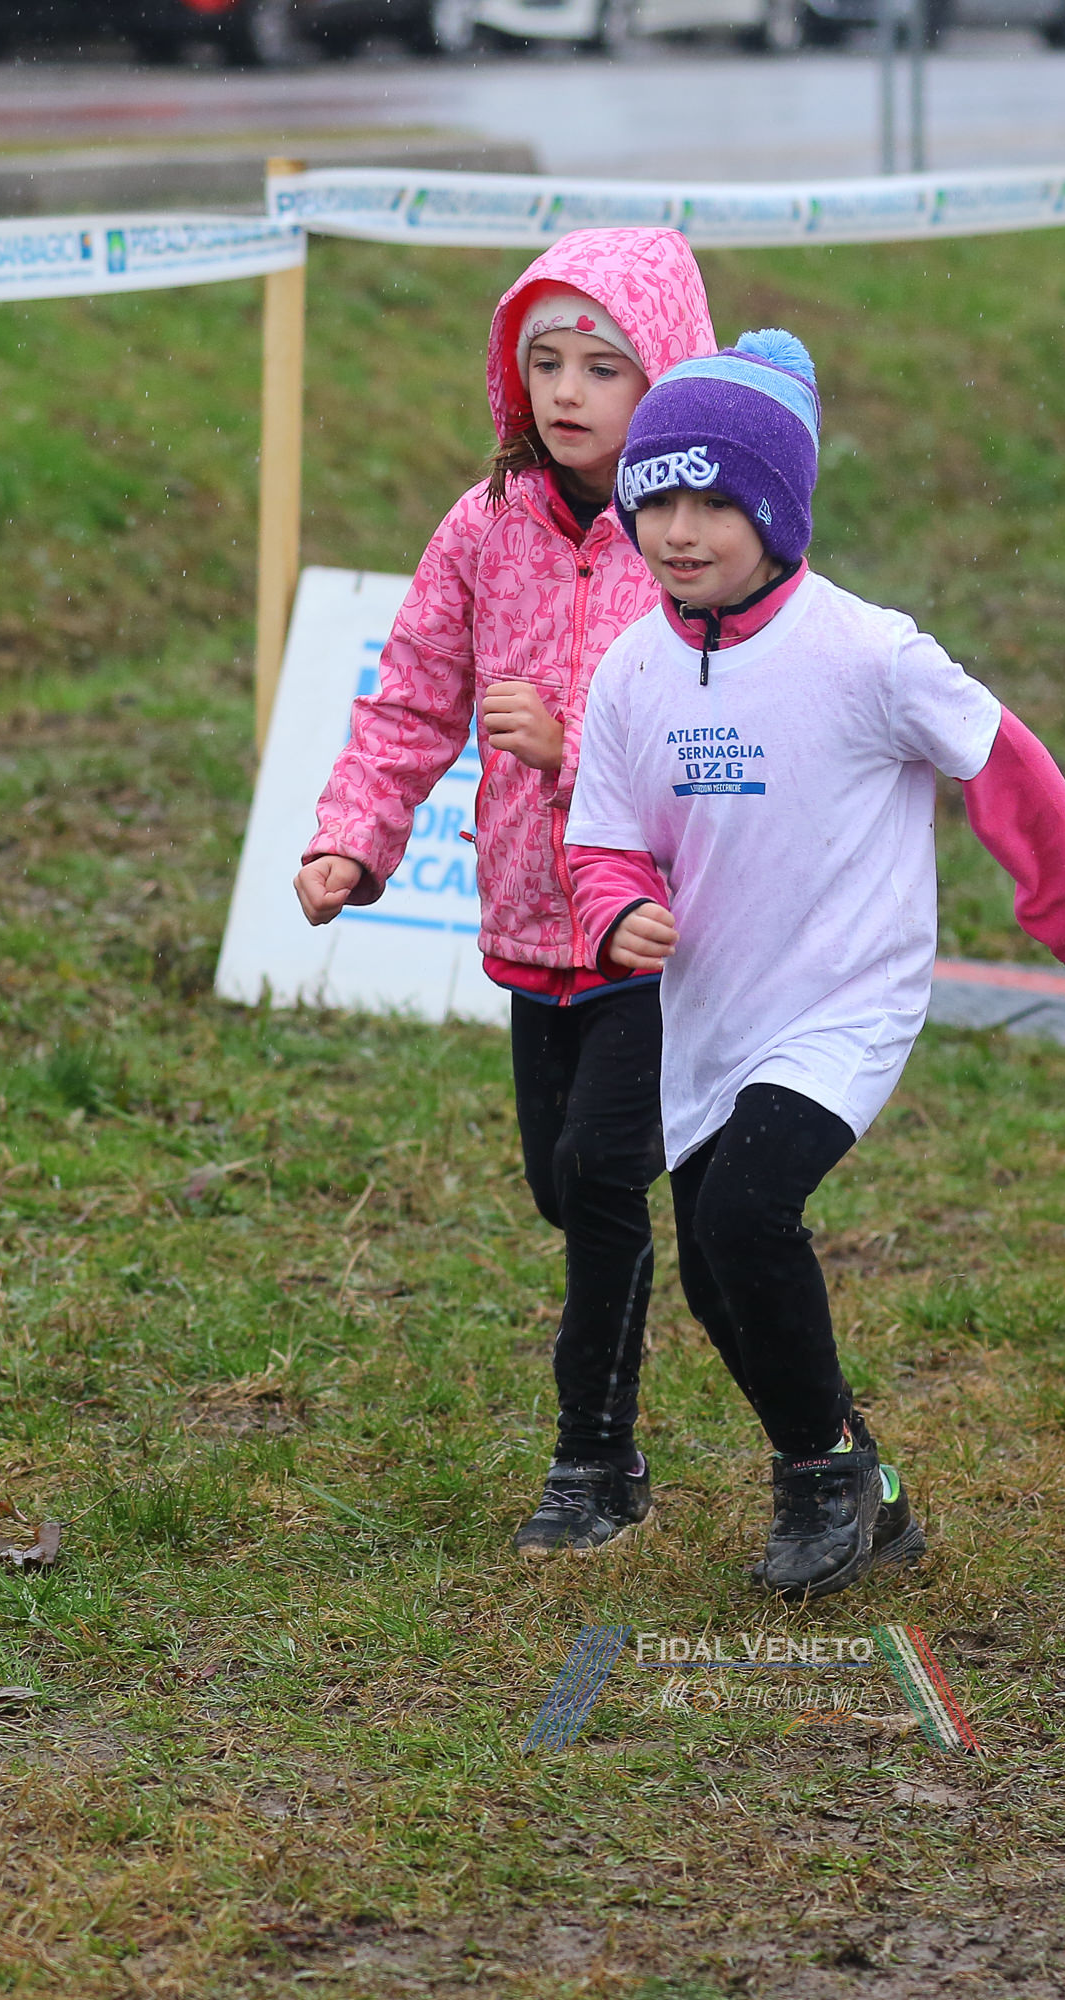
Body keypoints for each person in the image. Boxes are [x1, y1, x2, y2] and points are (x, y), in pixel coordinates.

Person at [565, 330, 1065, 1601]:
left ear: (778, 510)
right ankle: (857, 1472)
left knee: (744, 1214)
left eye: (716, 503)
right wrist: (618, 910)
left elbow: (1005, 764)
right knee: (714, 1274)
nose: (680, 531)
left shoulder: (869, 652)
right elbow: (602, 838)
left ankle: (819, 1479)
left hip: (844, 1000)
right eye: (656, 500)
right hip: (713, 1009)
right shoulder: (630, 668)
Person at [295, 229, 716, 1560]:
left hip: (658, 928)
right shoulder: (483, 527)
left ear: (669, 377)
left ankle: (596, 1462)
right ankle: (690, 1219)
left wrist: (571, 743)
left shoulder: (699, 537)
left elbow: (728, 730)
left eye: (605, 364)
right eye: (546, 361)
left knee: (600, 1176)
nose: (569, 390)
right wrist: (353, 839)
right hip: (530, 923)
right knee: (562, 1183)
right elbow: (413, 695)